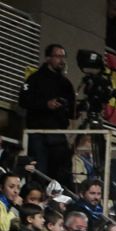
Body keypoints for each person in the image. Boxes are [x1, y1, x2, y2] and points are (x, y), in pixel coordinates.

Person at [19, 44, 76, 182]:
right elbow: (23, 101)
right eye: (58, 56)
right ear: (48, 58)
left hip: (58, 134)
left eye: (63, 57)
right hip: (38, 133)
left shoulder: (66, 84)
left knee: (61, 173)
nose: (61, 60)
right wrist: (46, 105)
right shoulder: (35, 79)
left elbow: (71, 111)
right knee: (40, 172)